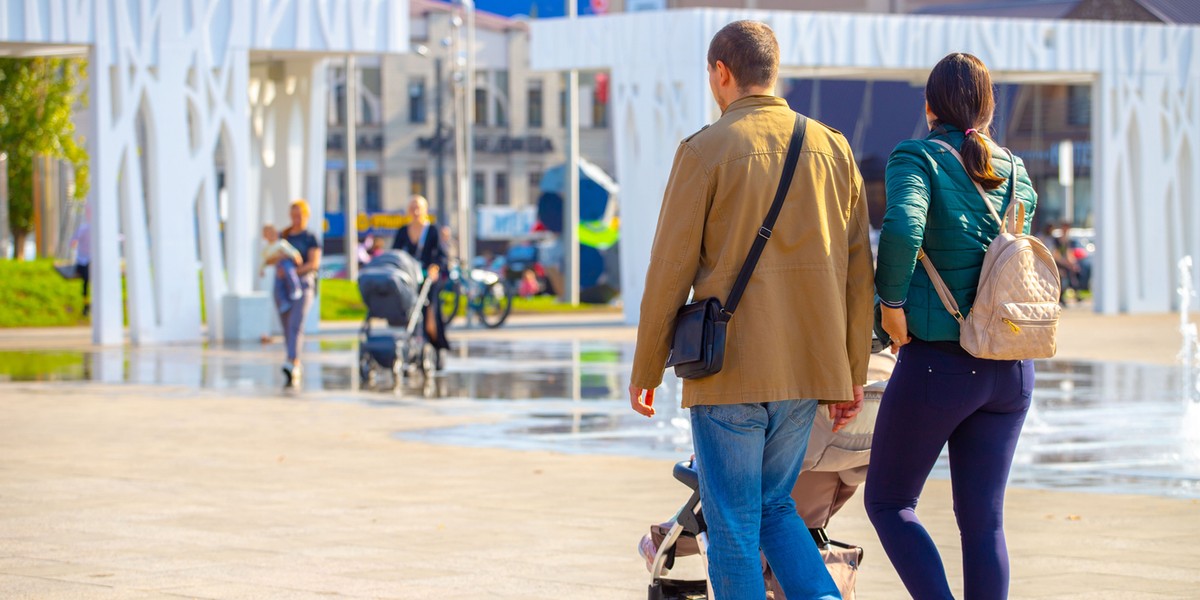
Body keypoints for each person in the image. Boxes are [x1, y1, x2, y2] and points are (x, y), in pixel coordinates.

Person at [627, 21, 874, 600]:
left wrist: (646, 369)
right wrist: (851, 376)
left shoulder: (704, 150)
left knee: (734, 525)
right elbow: (859, 272)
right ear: (774, 70)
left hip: (729, 371)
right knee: (774, 508)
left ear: (721, 72)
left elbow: (670, 271)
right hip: (807, 371)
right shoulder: (833, 148)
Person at [869, 52, 1038, 600]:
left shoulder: (915, 157)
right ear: (989, 109)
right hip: (1011, 368)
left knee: (890, 502)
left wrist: (890, 304)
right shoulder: (1016, 171)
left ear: (928, 108)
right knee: (984, 523)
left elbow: (901, 226)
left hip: (941, 363)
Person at [267, 199, 322, 387]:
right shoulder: (284, 235)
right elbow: (271, 256)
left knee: (295, 323)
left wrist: (294, 272)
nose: (296, 219)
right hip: (283, 286)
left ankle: (293, 361)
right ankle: (291, 359)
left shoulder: (310, 237)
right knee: (286, 323)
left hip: (304, 284)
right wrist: (280, 266)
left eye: (299, 215)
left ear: (306, 216)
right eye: (293, 215)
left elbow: (314, 264)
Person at [393, 195, 450, 352]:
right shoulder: (403, 231)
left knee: (430, 313)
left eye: (419, 207)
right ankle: (412, 341)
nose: (416, 211)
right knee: (409, 310)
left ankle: (435, 345)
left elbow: (442, 255)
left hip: (428, 279)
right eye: (412, 208)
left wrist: (435, 267)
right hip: (409, 278)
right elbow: (396, 253)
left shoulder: (432, 230)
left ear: (425, 210)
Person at [259, 224, 304, 312]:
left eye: (272, 233)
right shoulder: (267, 248)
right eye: (268, 234)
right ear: (265, 236)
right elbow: (264, 261)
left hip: (286, 262)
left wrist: (296, 257)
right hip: (277, 267)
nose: (271, 235)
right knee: (278, 285)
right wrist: (262, 269)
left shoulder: (281, 243)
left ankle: (296, 287)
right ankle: (283, 302)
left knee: (290, 272)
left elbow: (293, 251)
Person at [68, 219, 91, 316]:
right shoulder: (83, 228)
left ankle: (88, 305)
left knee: (88, 283)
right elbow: (73, 243)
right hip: (83, 262)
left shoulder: (87, 228)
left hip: (90, 261)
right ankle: (86, 305)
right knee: (86, 282)